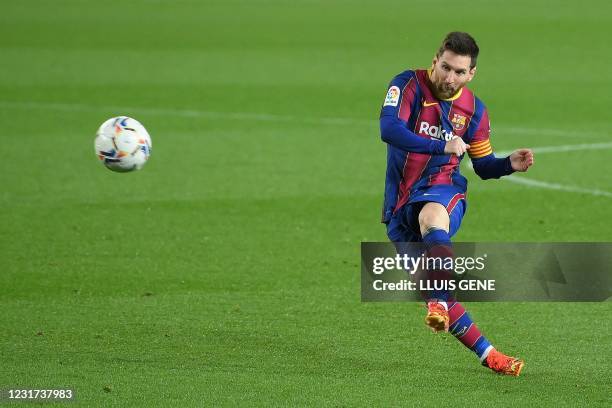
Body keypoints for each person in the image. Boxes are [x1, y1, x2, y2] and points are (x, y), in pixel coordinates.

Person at [379, 32, 534, 376]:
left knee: (433, 217)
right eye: (445, 68)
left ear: (471, 74)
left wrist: (508, 163)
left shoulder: (474, 112)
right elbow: (389, 129)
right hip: (399, 204)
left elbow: (483, 165)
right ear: (435, 61)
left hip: (443, 188)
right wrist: (441, 146)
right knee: (438, 296)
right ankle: (489, 354)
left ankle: (437, 298)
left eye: (459, 72)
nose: (449, 79)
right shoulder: (408, 85)